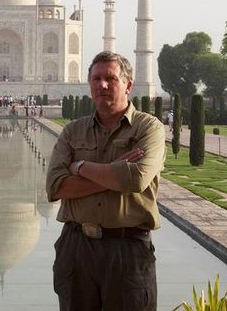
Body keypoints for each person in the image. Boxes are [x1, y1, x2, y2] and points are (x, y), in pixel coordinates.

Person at [46, 51, 166, 311]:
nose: (102, 85)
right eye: (96, 78)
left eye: (111, 78)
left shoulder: (148, 128)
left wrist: (79, 167)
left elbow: (135, 179)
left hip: (127, 250)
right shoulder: (73, 131)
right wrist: (114, 173)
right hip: (76, 247)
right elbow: (55, 186)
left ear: (128, 85)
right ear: (89, 84)